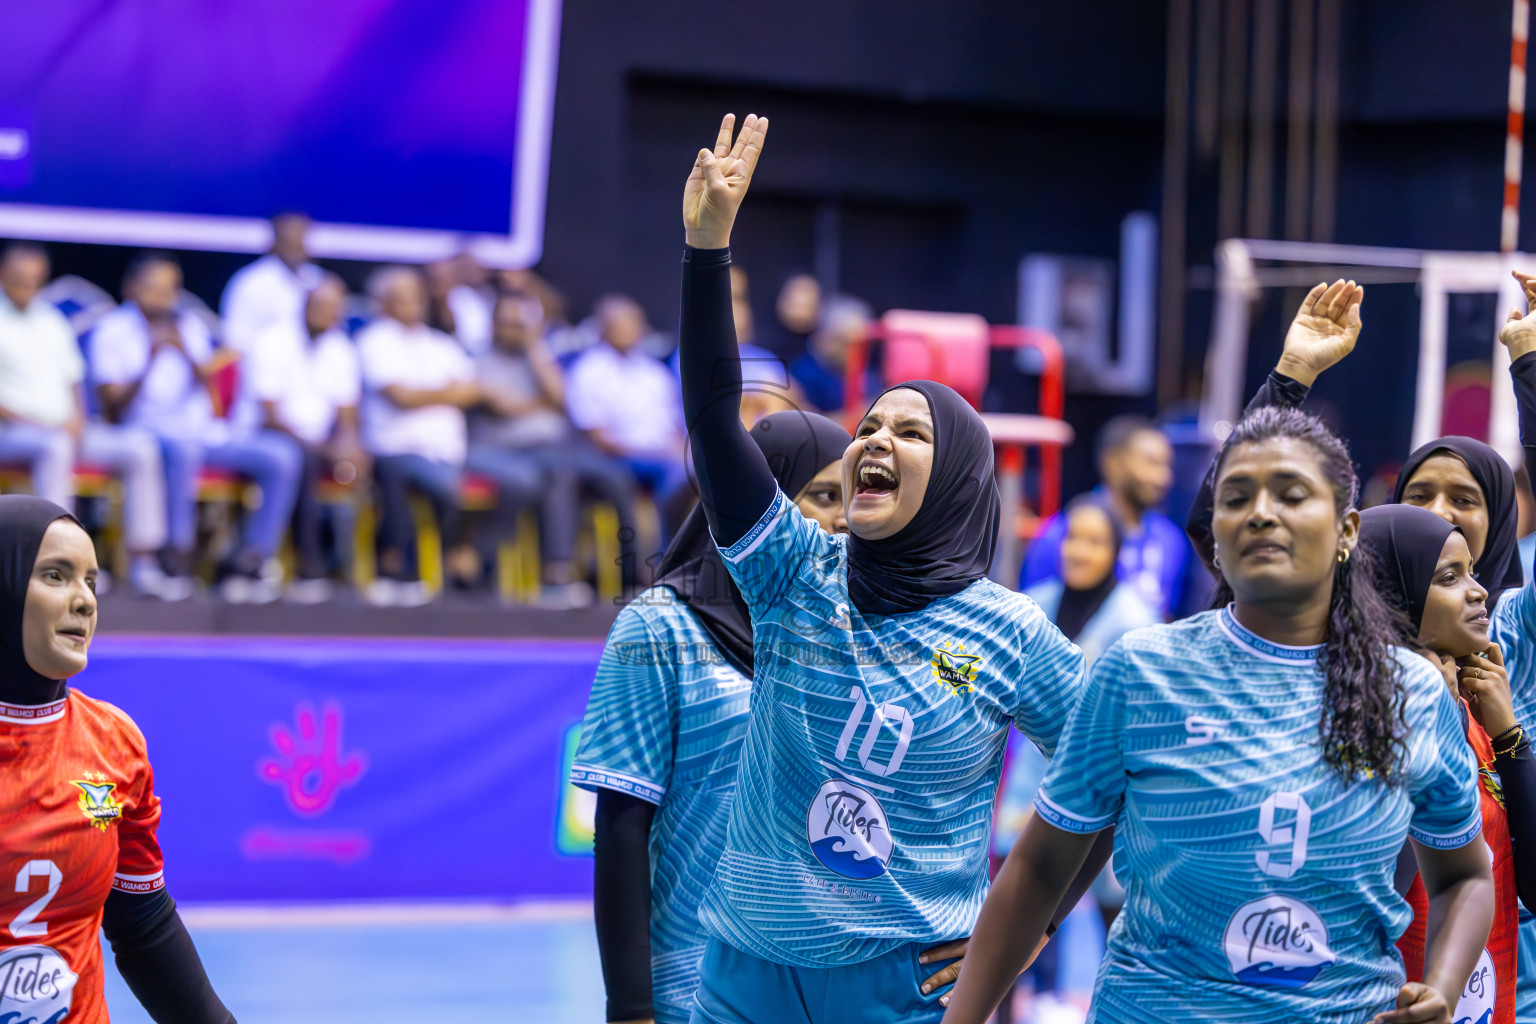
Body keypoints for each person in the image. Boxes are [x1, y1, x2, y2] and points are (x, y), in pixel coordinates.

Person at [677, 112, 1096, 1023]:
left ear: (953, 481)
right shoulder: (796, 570)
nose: (874, 438)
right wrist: (708, 249)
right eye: (870, 425)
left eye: (910, 432)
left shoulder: (1013, 632)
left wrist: (1027, 929)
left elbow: (1109, 771)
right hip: (744, 973)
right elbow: (715, 423)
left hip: (902, 989)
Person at [945, 405, 1495, 1024]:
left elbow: (1465, 877)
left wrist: (1442, 987)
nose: (1261, 512)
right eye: (1237, 496)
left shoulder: (1412, 694)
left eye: (1291, 494)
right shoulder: (1141, 671)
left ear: (1346, 531)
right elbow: (1039, 869)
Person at [573, 409, 852, 1024]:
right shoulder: (658, 628)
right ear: (760, 505)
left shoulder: (850, 636)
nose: (842, 519)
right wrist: (630, 1008)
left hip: (828, 986)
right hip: (694, 985)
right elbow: (621, 830)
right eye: (824, 495)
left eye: (852, 500)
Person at [0, 495, 235, 1023]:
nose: (83, 601)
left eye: (91, 581)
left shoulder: (113, 742)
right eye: (56, 576)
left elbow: (143, 925)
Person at [1358, 504, 1536, 1024]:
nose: (1480, 591)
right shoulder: (1366, 723)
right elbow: (1377, 888)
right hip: (1393, 1002)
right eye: (1449, 577)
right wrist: (1422, 729)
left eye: (1473, 574)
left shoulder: (1476, 712)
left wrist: (1509, 740)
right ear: (1394, 594)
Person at [993, 493, 1161, 1016]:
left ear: (1115, 550)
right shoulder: (1033, 605)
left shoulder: (1137, 621)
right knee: (1011, 906)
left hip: (1110, 792)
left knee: (1115, 912)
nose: (1079, 551)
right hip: (1029, 784)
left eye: (1095, 540)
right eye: (1072, 538)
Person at [92, 253, 303, 602]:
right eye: (154, 287)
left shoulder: (188, 325)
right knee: (182, 449)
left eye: (170, 288)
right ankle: (176, 556)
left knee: (281, 455)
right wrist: (151, 356)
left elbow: (209, 383)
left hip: (205, 432)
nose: (163, 297)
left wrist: (184, 353)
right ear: (132, 288)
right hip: (145, 430)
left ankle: (252, 560)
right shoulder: (112, 329)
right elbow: (113, 406)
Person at [0, 242, 187, 600]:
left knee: (139, 448)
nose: (27, 286)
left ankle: (143, 563)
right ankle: (60, 562)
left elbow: (74, 380)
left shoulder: (51, 320)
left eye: (34, 280)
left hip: (63, 428)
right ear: (3, 276)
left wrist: (79, 419)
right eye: (18, 279)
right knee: (54, 447)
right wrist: (41, 425)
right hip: (14, 431)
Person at [357, 265, 522, 606]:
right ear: (383, 303)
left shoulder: (441, 343)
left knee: (517, 481)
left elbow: (476, 390)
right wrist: (447, 392)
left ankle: (473, 559)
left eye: (416, 298)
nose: (412, 305)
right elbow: (399, 396)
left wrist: (427, 394)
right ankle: (424, 561)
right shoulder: (374, 340)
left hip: (449, 451)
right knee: (446, 488)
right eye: (401, 299)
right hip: (395, 447)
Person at [468, 289, 638, 606]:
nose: (515, 327)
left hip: (552, 448)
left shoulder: (540, 358)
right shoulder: (477, 358)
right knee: (553, 473)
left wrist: (535, 347)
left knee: (615, 477)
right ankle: (555, 575)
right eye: (508, 320)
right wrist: (540, 403)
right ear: (493, 322)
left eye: (523, 321)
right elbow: (507, 406)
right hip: (501, 450)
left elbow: (563, 402)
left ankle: (636, 578)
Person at [247, 272, 368, 602]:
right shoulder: (272, 340)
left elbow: (346, 413)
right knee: (302, 457)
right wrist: (322, 447)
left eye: (336, 308)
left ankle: (352, 566)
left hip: (318, 444)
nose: (330, 314)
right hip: (263, 436)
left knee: (364, 459)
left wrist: (348, 443)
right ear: (304, 305)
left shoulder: (341, 348)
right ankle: (308, 562)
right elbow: (269, 415)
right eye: (322, 307)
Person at [1020, 416, 1189, 619]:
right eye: (1151, 463)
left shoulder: (1171, 539)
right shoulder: (1064, 532)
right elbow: (1031, 612)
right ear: (1113, 463)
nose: (1163, 477)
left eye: (1166, 465)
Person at [566, 294, 689, 534]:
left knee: (702, 467)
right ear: (603, 327)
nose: (629, 329)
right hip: (619, 458)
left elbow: (674, 426)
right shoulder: (588, 370)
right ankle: (665, 556)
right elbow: (599, 438)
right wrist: (657, 453)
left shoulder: (654, 372)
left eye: (634, 322)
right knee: (680, 473)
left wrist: (682, 450)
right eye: (620, 323)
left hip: (662, 453)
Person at [219, 212, 323, 356]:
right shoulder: (251, 282)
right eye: (290, 240)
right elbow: (235, 342)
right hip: (263, 367)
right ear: (275, 242)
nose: (297, 244)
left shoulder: (317, 279)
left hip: (308, 368)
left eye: (301, 238)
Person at [788, 294, 870, 418]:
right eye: (846, 343)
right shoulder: (803, 375)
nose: (854, 352)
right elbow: (810, 425)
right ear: (825, 337)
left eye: (861, 345)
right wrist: (865, 413)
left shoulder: (866, 373)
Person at [765, 272, 820, 362]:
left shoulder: (824, 350)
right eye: (795, 304)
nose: (801, 313)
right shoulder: (764, 350)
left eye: (807, 305)